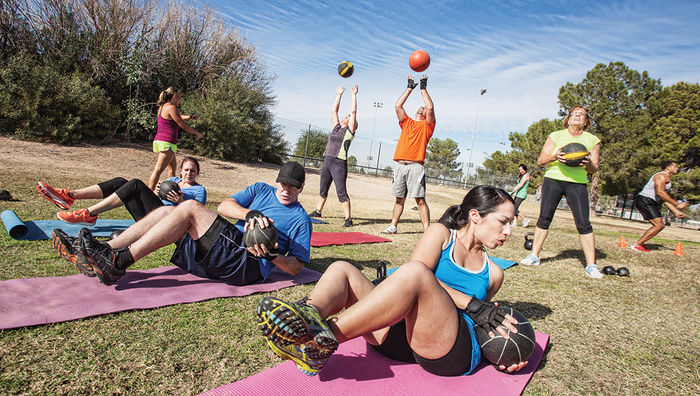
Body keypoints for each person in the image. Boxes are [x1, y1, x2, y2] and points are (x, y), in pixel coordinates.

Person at [256, 186, 528, 377]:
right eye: (504, 221)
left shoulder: (494, 273)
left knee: (416, 274)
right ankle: (308, 315)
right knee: (342, 269)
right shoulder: (441, 234)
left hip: (447, 349)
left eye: (511, 223)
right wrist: (474, 304)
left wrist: (505, 352)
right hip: (398, 340)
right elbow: (419, 274)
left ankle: (316, 342)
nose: (509, 231)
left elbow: (482, 322)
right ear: (476, 216)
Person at [52, 162, 312, 286]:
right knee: (168, 213)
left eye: (293, 186)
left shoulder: (300, 220)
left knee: (188, 208)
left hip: (248, 265)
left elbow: (296, 268)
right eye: (283, 184)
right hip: (228, 246)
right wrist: (249, 213)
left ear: (301, 188)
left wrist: (274, 255)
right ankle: (104, 250)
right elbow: (224, 206)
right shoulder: (260, 190)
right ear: (277, 181)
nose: (286, 190)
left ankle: (118, 262)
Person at [520, 106, 604, 279]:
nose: (577, 116)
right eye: (574, 114)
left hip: (577, 183)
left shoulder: (593, 140)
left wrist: (587, 162)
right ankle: (534, 256)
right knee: (544, 218)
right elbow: (541, 160)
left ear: (586, 120)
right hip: (553, 179)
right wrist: (555, 156)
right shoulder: (556, 135)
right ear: (568, 118)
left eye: (582, 115)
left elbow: (594, 168)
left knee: (583, 223)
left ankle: (591, 266)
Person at [36, 157, 206, 225]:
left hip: (165, 222)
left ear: (197, 173)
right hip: (150, 212)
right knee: (120, 182)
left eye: (192, 171)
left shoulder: (199, 191)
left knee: (135, 184)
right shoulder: (172, 180)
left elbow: (196, 216)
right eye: (186, 170)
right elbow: (153, 196)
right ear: (181, 170)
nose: (188, 173)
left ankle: (88, 213)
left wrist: (180, 201)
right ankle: (69, 196)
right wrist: (156, 191)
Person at [381, 74, 435, 234]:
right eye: (421, 106)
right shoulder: (407, 122)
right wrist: (410, 87)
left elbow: (430, 107)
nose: (422, 107)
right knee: (399, 199)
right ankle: (393, 226)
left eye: (423, 107)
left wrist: (423, 88)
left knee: (419, 200)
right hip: (400, 166)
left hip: (416, 167)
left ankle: (427, 231)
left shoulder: (427, 126)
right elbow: (398, 106)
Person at [308, 85, 358, 227]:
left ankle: (348, 219)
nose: (346, 116)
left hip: (338, 163)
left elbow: (353, 112)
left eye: (348, 117)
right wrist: (339, 95)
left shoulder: (349, 131)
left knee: (341, 191)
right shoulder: (336, 128)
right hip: (327, 161)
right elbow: (334, 111)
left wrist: (354, 95)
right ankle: (318, 211)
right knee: (323, 188)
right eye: (346, 116)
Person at [147, 86, 203, 190]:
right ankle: (148, 193)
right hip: (166, 142)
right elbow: (182, 124)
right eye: (179, 97)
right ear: (174, 96)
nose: (180, 100)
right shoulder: (171, 107)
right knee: (158, 169)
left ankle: (168, 191)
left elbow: (177, 116)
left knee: (172, 169)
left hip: (162, 141)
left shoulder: (164, 106)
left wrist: (189, 116)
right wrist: (196, 133)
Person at [630, 161, 688, 251]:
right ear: (668, 168)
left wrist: (676, 211)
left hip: (649, 201)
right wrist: (677, 204)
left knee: (659, 225)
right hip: (645, 199)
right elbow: (660, 192)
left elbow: (664, 198)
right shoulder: (661, 176)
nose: (678, 168)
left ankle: (638, 244)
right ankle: (637, 245)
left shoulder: (668, 180)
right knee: (659, 225)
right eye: (675, 166)